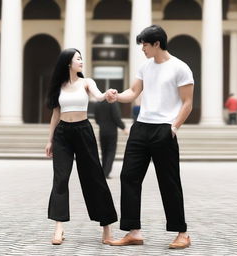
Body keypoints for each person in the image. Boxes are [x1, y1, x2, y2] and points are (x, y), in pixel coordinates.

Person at [106, 25, 194, 249]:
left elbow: (187, 103)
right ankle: (133, 231)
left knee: (169, 181)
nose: (142, 49)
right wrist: (117, 96)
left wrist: (173, 127)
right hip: (141, 128)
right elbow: (133, 92)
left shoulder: (180, 68)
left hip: (164, 129)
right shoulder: (145, 66)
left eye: (145, 44)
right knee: (128, 177)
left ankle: (182, 233)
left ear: (157, 44)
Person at [45, 48, 117, 245]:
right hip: (62, 135)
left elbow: (99, 96)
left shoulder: (87, 82)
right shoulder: (59, 86)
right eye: (78, 58)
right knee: (60, 179)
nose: (81, 61)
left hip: (83, 132)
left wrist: (108, 94)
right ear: (68, 63)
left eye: (81, 58)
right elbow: (55, 114)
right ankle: (58, 228)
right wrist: (50, 139)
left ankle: (107, 228)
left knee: (95, 178)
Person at [94, 100, 128, 179]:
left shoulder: (97, 104)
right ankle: (106, 173)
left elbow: (96, 119)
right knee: (111, 152)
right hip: (112, 131)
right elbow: (116, 117)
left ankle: (103, 172)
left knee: (104, 152)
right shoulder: (113, 103)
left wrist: (102, 124)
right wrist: (123, 127)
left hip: (102, 131)